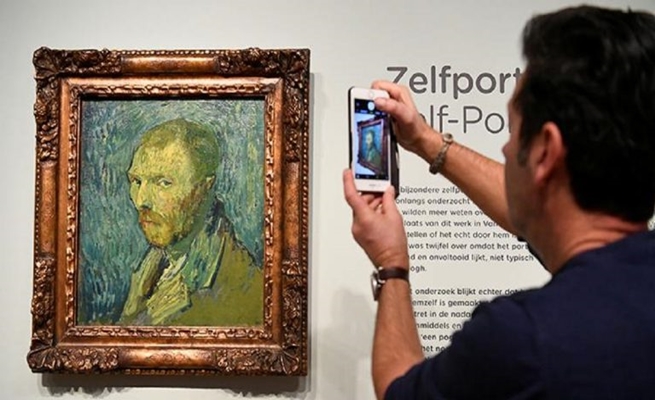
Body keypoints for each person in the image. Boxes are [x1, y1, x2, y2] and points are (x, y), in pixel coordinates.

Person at [343, 5, 655, 399]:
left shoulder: (520, 340)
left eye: (512, 131)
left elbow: (398, 391)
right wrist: (424, 139)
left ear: (545, 151)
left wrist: (392, 266)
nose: (506, 150)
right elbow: (536, 211)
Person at [119, 118, 263, 326]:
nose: (141, 201)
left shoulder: (242, 287)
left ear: (204, 188)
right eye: (137, 181)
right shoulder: (154, 265)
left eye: (163, 183)